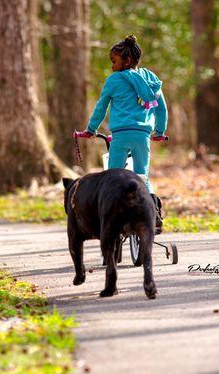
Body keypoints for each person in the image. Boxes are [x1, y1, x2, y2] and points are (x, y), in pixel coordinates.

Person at [84, 34, 168, 234]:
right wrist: (159, 131)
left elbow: (100, 107)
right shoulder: (151, 80)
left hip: (120, 137)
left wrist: (91, 129)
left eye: (114, 61)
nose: (112, 66)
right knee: (142, 176)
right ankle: (154, 214)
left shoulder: (114, 80)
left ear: (127, 61)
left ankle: (112, 217)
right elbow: (161, 109)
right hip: (142, 136)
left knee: (112, 177)